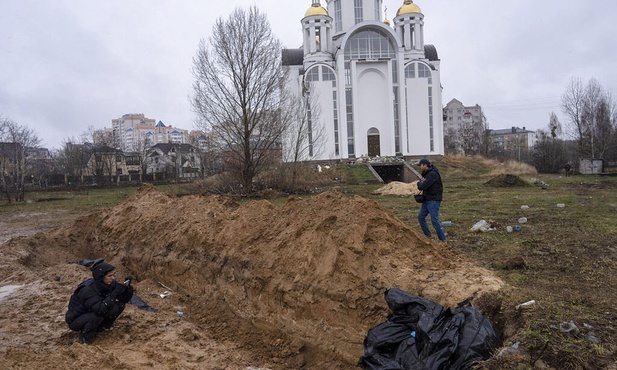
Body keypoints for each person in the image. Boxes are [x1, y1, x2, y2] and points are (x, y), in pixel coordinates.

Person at [65, 261, 134, 344]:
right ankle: (85, 339)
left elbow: (124, 299)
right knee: (96, 316)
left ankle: (102, 328)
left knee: (119, 305)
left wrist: (128, 288)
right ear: (101, 277)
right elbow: (99, 309)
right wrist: (115, 293)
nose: (113, 278)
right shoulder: (87, 290)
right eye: (109, 276)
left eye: (113, 275)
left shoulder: (109, 284)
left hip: (92, 312)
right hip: (76, 319)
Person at [416, 158, 447, 243]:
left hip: (433, 200)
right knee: (420, 217)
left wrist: (419, 183)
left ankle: (443, 240)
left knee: (434, 220)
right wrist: (421, 183)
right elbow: (424, 184)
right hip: (427, 199)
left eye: (421, 165)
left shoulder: (432, 174)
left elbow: (423, 186)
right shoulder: (427, 174)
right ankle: (427, 236)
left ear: (425, 165)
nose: (420, 167)